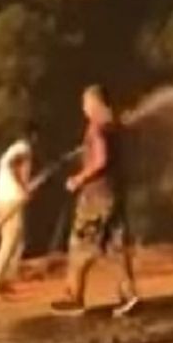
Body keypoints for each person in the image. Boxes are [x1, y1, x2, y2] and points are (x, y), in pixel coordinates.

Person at [51, 84, 140, 316]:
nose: (83, 108)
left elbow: (101, 160)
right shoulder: (113, 127)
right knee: (115, 247)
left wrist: (78, 179)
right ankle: (128, 295)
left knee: (80, 245)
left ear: (94, 103)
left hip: (95, 197)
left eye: (85, 103)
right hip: (114, 193)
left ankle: (74, 298)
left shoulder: (96, 129)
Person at [0, 125, 36, 301]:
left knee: (18, 241)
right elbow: (15, 165)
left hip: (1, 200)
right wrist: (23, 188)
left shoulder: (13, 149)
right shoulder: (22, 148)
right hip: (9, 200)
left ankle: (3, 281)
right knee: (10, 242)